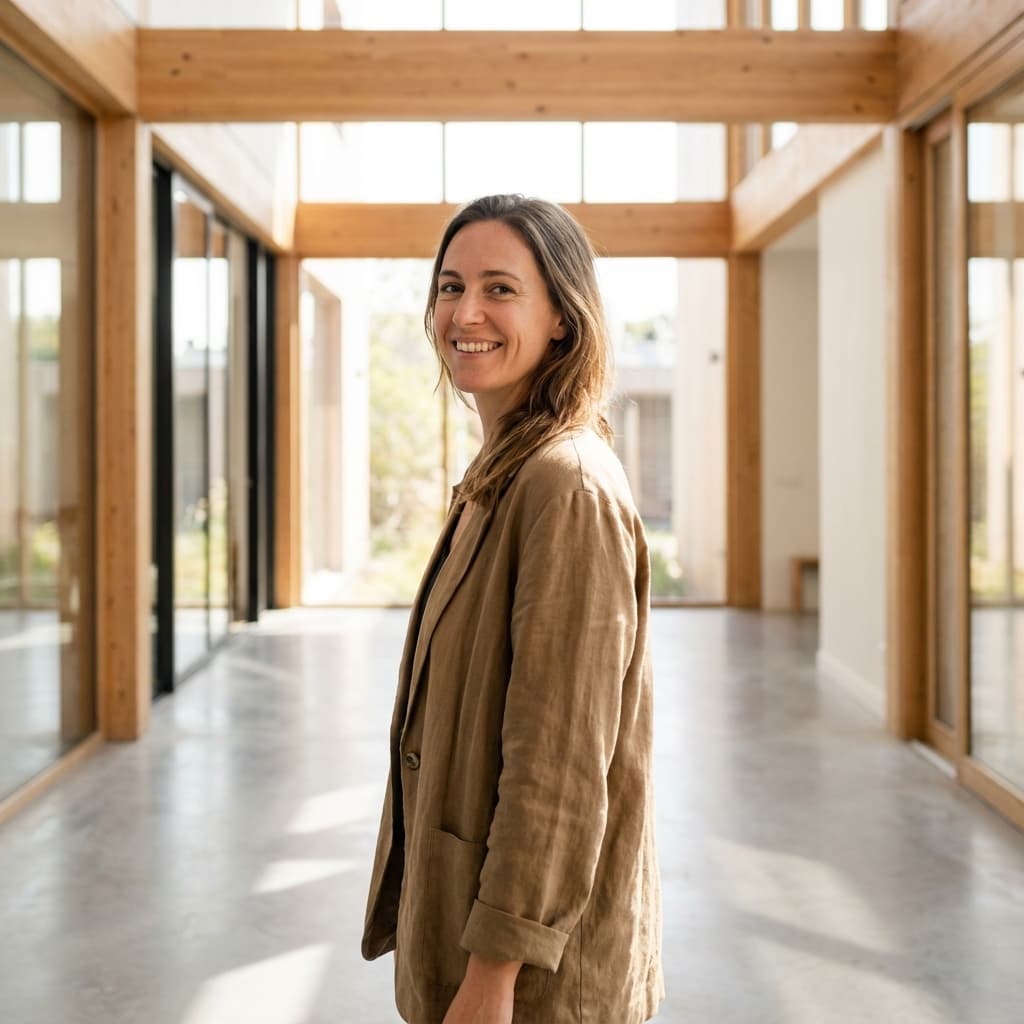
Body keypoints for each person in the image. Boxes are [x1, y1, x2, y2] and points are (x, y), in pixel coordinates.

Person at [362, 194, 664, 1024]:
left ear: (562, 317)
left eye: (500, 289)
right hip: (467, 928)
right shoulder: (503, 471)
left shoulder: (566, 487)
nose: (466, 313)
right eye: (450, 286)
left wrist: (495, 973)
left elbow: (559, 764)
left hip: (532, 980)